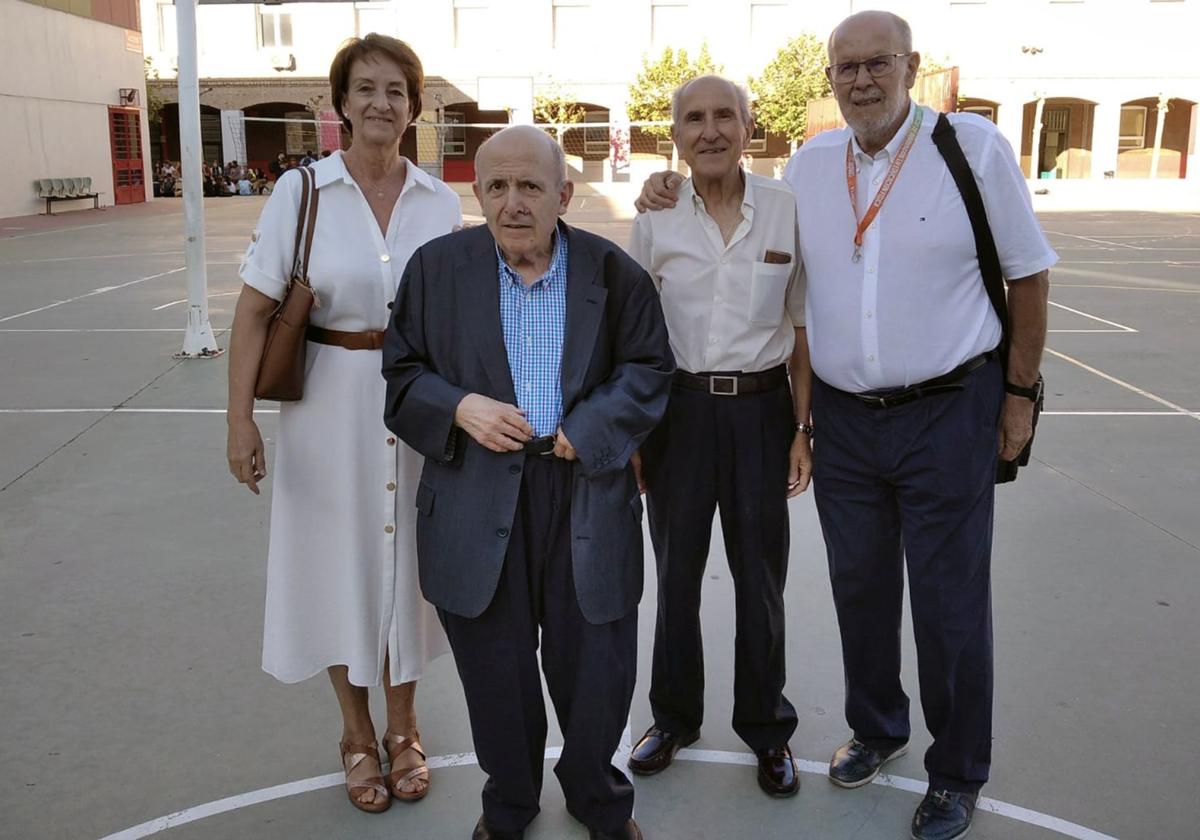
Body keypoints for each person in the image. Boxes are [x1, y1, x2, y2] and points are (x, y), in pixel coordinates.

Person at [637, 11, 1054, 840]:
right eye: (847, 68)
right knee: (859, 590)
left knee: (949, 603)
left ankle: (958, 769)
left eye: (878, 64)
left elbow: (1029, 273)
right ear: (830, 79)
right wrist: (664, 184)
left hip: (949, 409)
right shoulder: (813, 167)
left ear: (912, 67)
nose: (862, 80)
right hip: (847, 421)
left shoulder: (971, 149)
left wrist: (1018, 395)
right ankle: (877, 728)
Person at [382, 124, 674, 840]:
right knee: (496, 670)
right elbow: (400, 373)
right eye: (497, 187)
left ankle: (598, 797)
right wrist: (458, 405)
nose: (513, 204)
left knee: (596, 667)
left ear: (563, 195)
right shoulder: (435, 270)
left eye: (531, 187)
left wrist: (595, 425)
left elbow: (649, 368)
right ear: (477, 192)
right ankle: (508, 804)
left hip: (582, 490)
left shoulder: (612, 273)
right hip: (478, 491)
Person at [225, 33, 461, 815]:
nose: (380, 104)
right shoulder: (303, 192)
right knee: (338, 567)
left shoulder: (440, 201)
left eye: (395, 90)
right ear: (340, 103)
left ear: (413, 105)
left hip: (418, 402)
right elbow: (255, 312)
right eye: (364, 89)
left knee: (408, 573)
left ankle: (404, 727)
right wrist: (241, 424)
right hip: (327, 403)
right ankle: (355, 734)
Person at [625, 75, 812, 800]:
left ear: (748, 126)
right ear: (673, 134)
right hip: (678, 414)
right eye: (694, 118)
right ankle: (673, 718)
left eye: (724, 116)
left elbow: (800, 332)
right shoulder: (657, 217)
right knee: (674, 580)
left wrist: (803, 429)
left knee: (761, 581)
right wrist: (639, 430)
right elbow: (633, 337)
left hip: (763, 415)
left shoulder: (787, 212)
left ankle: (768, 729)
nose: (710, 130)